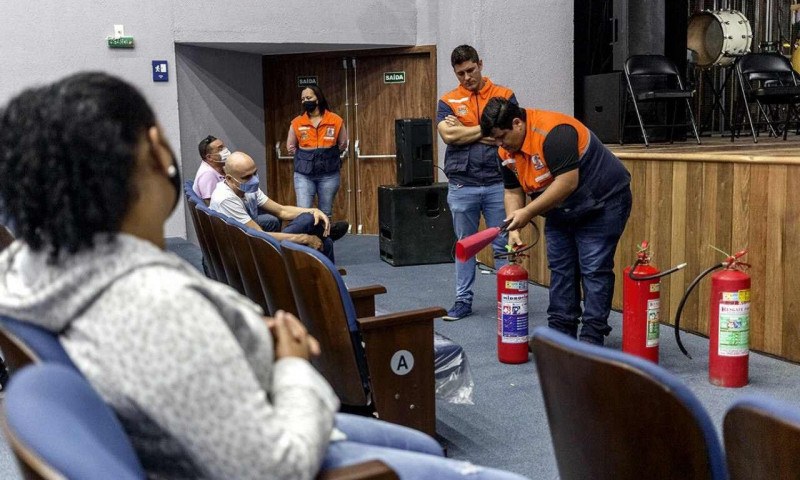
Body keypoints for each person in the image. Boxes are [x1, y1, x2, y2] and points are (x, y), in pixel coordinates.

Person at [0, 73, 530, 480]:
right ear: (151, 151)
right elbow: (275, 466)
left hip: (226, 422)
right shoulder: (154, 308)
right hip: (276, 435)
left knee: (423, 446)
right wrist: (294, 365)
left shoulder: (28, 270)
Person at [479, 97, 632, 346]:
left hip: (603, 202)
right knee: (561, 270)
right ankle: (560, 335)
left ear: (517, 123)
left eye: (501, 137)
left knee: (594, 269)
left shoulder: (555, 133)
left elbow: (566, 183)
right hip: (561, 208)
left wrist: (527, 214)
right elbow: (512, 191)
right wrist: (513, 230)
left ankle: (592, 339)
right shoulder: (506, 151)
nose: (499, 144)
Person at [437, 45, 517, 321]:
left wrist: (465, 130)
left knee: (503, 244)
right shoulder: (448, 100)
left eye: (471, 70)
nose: (467, 77)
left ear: (480, 64)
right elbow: (450, 137)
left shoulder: (504, 95)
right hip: (462, 184)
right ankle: (463, 301)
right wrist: (487, 130)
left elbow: (507, 133)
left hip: (498, 182)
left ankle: (507, 298)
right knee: (465, 245)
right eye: (460, 73)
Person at [210, 150, 335, 261]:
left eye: (255, 173)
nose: (254, 179)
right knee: (309, 220)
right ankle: (326, 232)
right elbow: (259, 235)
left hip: (254, 241)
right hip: (243, 252)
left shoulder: (247, 188)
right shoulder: (225, 199)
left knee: (324, 239)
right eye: (247, 177)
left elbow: (281, 211)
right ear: (230, 179)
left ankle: (331, 282)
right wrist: (304, 238)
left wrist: (314, 210)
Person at [287, 85, 349, 241]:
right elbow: (290, 147)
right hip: (304, 175)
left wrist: (327, 154)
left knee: (325, 211)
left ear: (318, 98)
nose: (305, 101)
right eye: (303, 99)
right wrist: (306, 157)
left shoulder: (335, 120)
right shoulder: (297, 122)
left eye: (309, 98)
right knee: (304, 211)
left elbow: (343, 144)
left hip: (328, 174)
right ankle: (305, 246)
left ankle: (323, 244)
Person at [194, 134, 280, 231]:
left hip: (237, 207)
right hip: (228, 217)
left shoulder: (219, 168)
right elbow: (210, 207)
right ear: (209, 157)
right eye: (220, 149)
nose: (225, 150)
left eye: (224, 146)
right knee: (271, 220)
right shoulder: (207, 175)